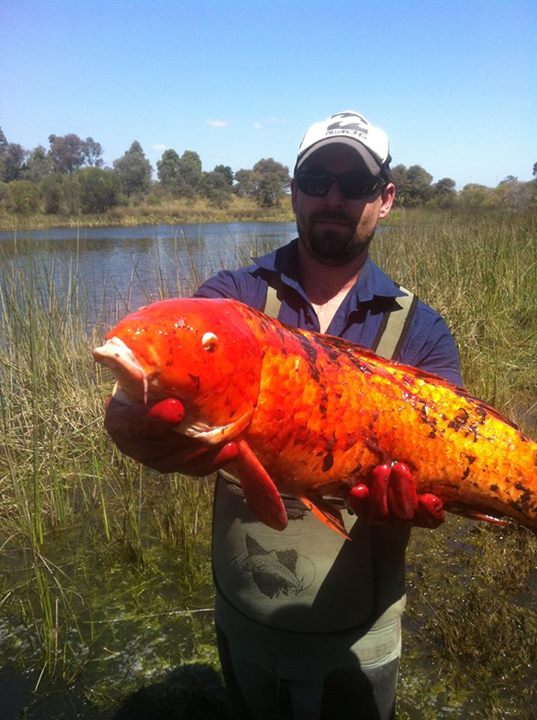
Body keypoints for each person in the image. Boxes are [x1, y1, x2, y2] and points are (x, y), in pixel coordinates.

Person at [104, 110, 462, 720]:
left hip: (360, 633)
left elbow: (446, 470)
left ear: (386, 198)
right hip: (245, 617)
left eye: (354, 185)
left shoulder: (423, 331)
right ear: (293, 189)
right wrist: (132, 425)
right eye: (317, 178)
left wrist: (422, 506)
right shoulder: (232, 297)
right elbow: (155, 398)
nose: (333, 197)